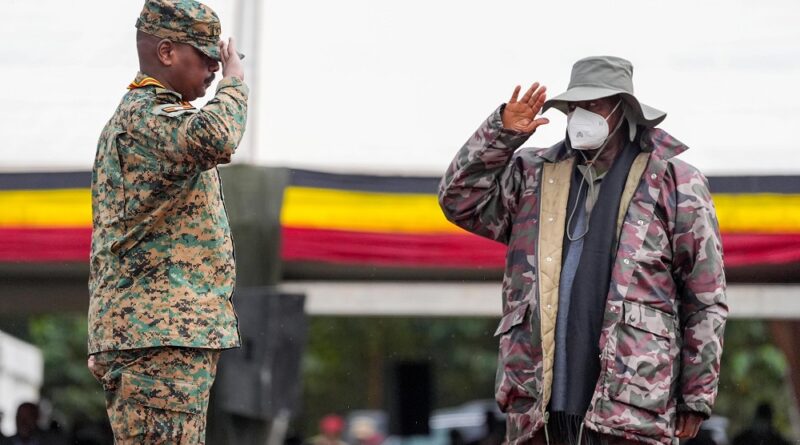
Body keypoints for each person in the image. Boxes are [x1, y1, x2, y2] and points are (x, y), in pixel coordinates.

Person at [438, 56, 727, 444]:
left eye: (593, 105)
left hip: (633, 408)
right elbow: (458, 199)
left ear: (623, 110)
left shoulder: (675, 181)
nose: (580, 116)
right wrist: (502, 134)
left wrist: (696, 396)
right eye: (573, 107)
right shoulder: (533, 173)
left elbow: (705, 296)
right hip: (538, 410)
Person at [86, 0, 248, 443]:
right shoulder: (147, 117)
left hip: (158, 336)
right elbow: (217, 136)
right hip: (157, 338)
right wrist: (234, 84)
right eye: (206, 56)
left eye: (219, 60)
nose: (215, 67)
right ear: (166, 52)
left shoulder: (148, 118)